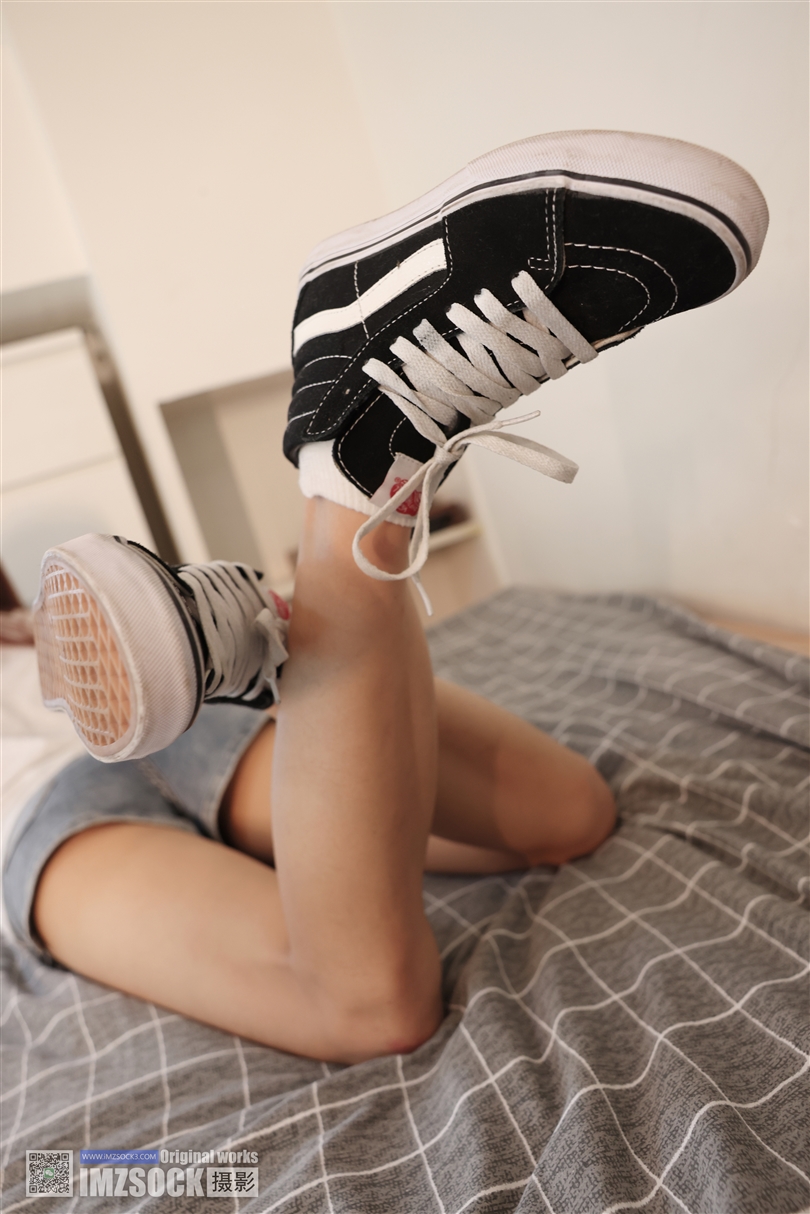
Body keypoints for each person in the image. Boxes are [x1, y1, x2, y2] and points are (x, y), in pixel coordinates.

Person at [6, 130, 766, 1064]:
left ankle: (350, 481)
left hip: (150, 728)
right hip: (49, 809)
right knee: (563, 822)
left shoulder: (23, 637)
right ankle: (280, 632)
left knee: (383, 980)